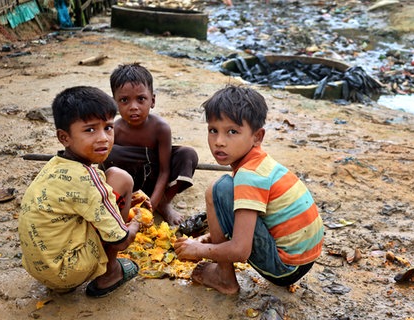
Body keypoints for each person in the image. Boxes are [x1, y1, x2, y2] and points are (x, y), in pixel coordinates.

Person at [174, 85, 324, 294]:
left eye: (232, 132)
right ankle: (221, 265)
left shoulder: (248, 176)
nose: (219, 142)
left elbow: (240, 251)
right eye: (213, 130)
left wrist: (198, 250)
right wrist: (213, 239)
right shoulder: (261, 163)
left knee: (218, 189)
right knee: (225, 189)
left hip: (285, 267)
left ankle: (224, 278)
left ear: (257, 136)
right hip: (304, 260)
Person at [18, 86, 143, 298]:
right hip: (69, 271)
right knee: (121, 178)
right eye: (90, 130)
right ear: (64, 137)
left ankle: (67, 279)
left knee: (105, 185)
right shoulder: (87, 180)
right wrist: (135, 225)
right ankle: (110, 273)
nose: (103, 138)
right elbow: (120, 240)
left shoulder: (54, 166)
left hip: (38, 267)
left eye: (108, 127)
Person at [102, 63, 199, 226]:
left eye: (141, 99)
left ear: (152, 100)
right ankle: (126, 202)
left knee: (188, 154)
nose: (134, 107)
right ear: (115, 104)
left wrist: (151, 206)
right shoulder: (115, 130)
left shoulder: (160, 128)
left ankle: (164, 202)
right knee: (108, 153)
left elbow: (164, 170)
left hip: (157, 180)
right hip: (130, 183)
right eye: (124, 100)